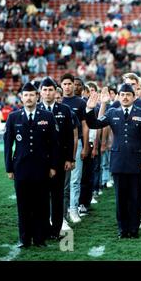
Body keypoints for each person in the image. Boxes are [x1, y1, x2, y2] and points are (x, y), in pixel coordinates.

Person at [85, 84, 141, 239]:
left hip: (137, 160)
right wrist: (89, 109)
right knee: (120, 198)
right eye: (122, 94)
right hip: (119, 161)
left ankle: (134, 229)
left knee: (135, 196)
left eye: (128, 94)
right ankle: (122, 229)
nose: (125, 97)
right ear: (118, 96)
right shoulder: (112, 112)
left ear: (134, 97)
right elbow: (94, 124)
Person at [4, 82, 58, 248]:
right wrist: (9, 168)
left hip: (42, 168)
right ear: (21, 97)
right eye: (25, 95)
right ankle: (24, 239)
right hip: (21, 168)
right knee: (23, 205)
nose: (28, 98)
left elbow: (54, 144)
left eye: (31, 95)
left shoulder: (47, 116)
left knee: (41, 205)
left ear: (37, 97)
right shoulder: (13, 117)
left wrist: (53, 166)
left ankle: (40, 239)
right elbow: (8, 144)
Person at [38, 77, 75, 240]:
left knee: (57, 196)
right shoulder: (35, 109)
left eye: (50, 90)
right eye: (44, 90)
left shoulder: (64, 109)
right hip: (39, 162)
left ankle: (56, 230)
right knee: (41, 196)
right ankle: (44, 228)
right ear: (40, 92)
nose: (47, 93)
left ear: (56, 91)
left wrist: (70, 158)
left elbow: (69, 136)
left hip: (59, 160)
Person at [61, 73, 89, 224]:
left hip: (76, 144)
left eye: (69, 84)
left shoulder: (80, 102)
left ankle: (74, 209)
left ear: (73, 84)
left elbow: (84, 126)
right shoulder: (57, 100)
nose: (67, 86)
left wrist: (85, 146)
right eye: (64, 84)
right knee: (60, 181)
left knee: (75, 179)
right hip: (59, 147)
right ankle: (61, 212)